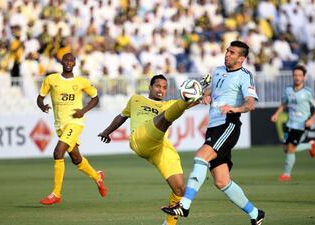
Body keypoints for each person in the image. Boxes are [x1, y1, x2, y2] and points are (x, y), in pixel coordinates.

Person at [161, 41, 265, 225]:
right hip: (214, 126)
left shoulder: (244, 76)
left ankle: (184, 205)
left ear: (242, 58)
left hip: (228, 124)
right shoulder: (218, 70)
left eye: (232, 52)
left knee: (201, 156)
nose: (227, 54)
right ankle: (256, 214)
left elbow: (250, 103)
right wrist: (205, 94)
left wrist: (235, 108)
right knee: (222, 181)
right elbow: (212, 90)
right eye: (227, 50)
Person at [98, 74, 201, 225]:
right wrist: (107, 131)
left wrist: (202, 92)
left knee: (179, 189)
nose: (161, 90)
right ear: (150, 87)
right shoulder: (136, 100)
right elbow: (121, 117)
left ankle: (169, 223)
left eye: (165, 88)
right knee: (166, 117)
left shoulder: (168, 104)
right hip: (140, 139)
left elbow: (196, 99)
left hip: (159, 146)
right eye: (158, 86)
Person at [37, 53, 107, 205]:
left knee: (58, 152)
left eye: (71, 60)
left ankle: (56, 193)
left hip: (76, 122)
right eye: (66, 60)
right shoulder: (51, 79)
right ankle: (97, 177)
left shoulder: (81, 82)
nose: (69, 62)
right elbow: (40, 98)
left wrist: (83, 111)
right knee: (76, 158)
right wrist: (42, 106)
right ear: (62, 62)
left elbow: (95, 98)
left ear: (75, 63)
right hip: (60, 125)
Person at [270, 64, 315, 182]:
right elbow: (284, 104)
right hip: (289, 123)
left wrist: (311, 120)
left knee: (290, 148)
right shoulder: (288, 90)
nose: (297, 77)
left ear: (304, 77)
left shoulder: (308, 92)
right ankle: (310, 145)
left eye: (299, 75)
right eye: (295, 75)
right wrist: (276, 114)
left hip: (302, 124)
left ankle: (286, 174)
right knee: (285, 147)